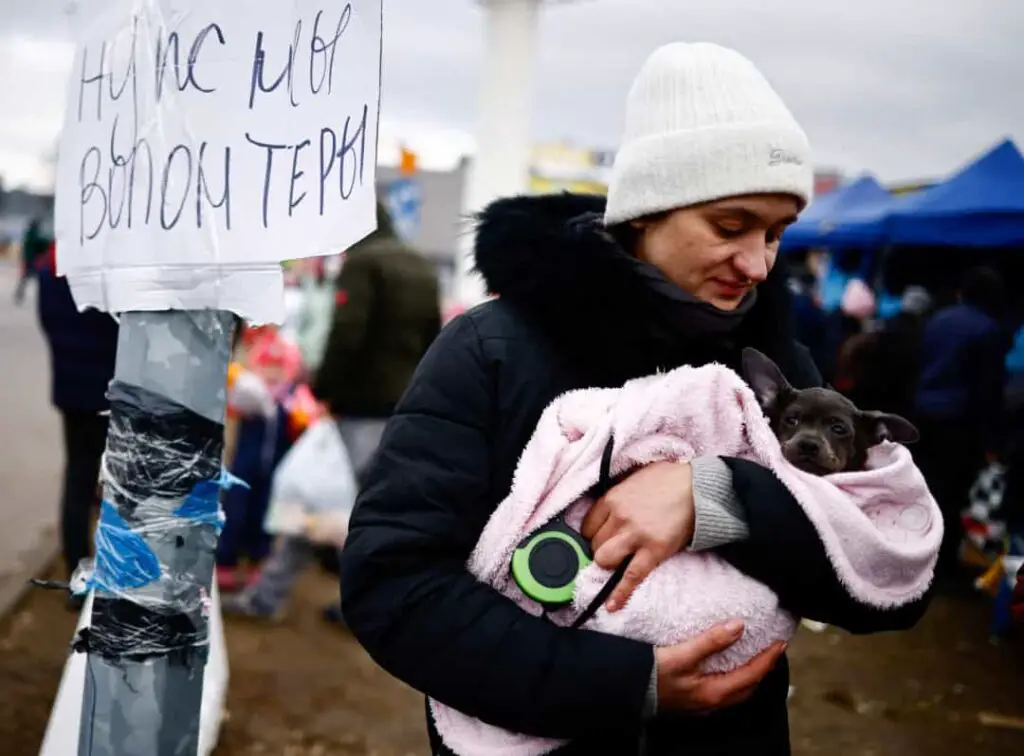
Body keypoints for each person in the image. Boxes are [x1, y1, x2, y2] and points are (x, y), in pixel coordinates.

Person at [339, 43, 929, 756]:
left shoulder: (775, 364)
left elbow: (887, 573)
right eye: (731, 226)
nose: (759, 265)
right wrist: (621, 683)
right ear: (648, 211)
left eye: (776, 234)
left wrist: (724, 498)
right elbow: (394, 584)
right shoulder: (492, 351)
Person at [226, 201, 441, 622]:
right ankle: (328, 603)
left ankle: (280, 600)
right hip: (403, 408)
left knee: (322, 502)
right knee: (356, 508)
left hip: (360, 406)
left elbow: (348, 333)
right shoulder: (421, 267)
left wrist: (324, 391)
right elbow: (435, 339)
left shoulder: (363, 264)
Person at [34, 240, 119, 609]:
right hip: (111, 392)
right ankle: (110, 576)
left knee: (78, 482)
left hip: (71, 389)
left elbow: (48, 322)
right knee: (114, 488)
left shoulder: (49, 267)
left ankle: (77, 576)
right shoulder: (110, 269)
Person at [914, 267, 1009, 579]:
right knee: (952, 495)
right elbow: (988, 390)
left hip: (924, 415)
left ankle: (914, 550)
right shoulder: (989, 330)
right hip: (958, 424)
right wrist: (991, 442)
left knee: (923, 486)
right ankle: (941, 568)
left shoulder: (939, 319)